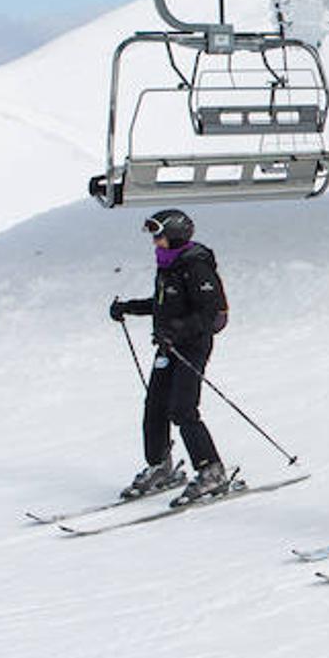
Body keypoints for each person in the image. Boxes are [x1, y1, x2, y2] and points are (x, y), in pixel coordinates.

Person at [109, 208, 234, 506]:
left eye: (160, 236)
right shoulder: (169, 266)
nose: (155, 243)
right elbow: (164, 305)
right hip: (168, 346)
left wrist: (177, 330)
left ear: (176, 235)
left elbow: (212, 315)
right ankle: (160, 466)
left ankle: (211, 471)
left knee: (182, 408)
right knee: (155, 406)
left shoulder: (197, 267)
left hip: (192, 345)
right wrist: (128, 307)